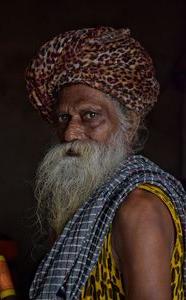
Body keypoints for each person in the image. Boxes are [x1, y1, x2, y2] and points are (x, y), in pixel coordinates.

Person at [25, 27, 186, 299]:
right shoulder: (83, 203)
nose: (70, 134)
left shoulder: (139, 209)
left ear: (130, 124)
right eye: (64, 118)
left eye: (89, 115)